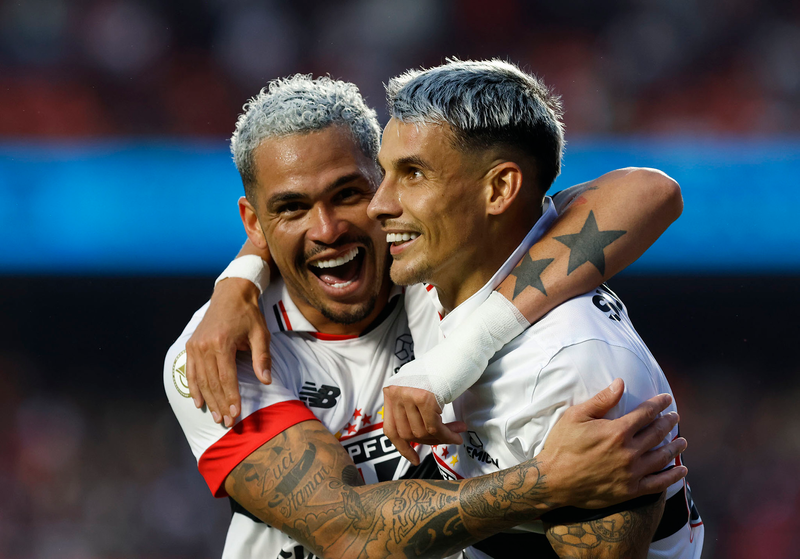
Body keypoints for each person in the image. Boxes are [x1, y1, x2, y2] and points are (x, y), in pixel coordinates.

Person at [165, 74, 686, 559]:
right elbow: (346, 534)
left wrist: (461, 354)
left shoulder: (433, 270)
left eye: (349, 194)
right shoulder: (219, 353)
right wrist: (547, 482)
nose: (327, 230)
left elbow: (648, 192)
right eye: (292, 208)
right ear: (254, 223)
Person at [363, 59, 703, 558]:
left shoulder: (569, 369)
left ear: (499, 189)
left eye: (413, 174)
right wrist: (247, 276)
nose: (378, 204)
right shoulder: (444, 267)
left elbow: (655, 190)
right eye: (385, 173)